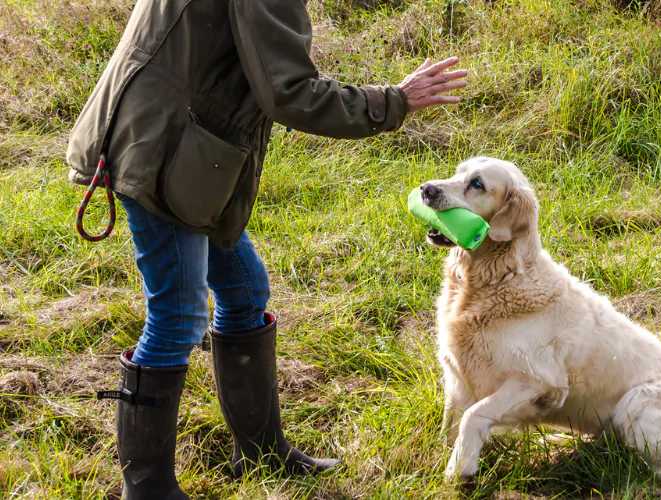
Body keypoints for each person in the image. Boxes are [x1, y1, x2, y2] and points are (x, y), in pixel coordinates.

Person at [65, 0, 467, 497]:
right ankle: (147, 491)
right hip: (162, 150)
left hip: (168, 142)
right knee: (176, 317)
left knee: (243, 289)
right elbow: (289, 91)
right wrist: (392, 100)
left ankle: (260, 453)